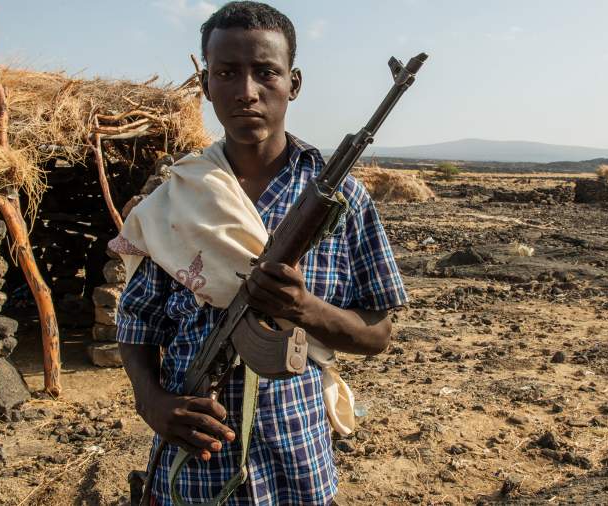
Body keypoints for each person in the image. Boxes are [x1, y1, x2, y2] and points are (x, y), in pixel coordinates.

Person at [116, 2, 408, 504]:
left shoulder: (344, 198)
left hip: (297, 459)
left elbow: (377, 334)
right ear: (206, 84)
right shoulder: (175, 199)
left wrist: (303, 308)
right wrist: (152, 402)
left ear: (294, 83)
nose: (246, 91)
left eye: (266, 72)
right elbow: (136, 322)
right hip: (196, 460)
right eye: (226, 73)